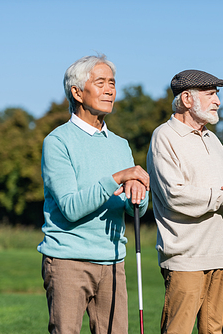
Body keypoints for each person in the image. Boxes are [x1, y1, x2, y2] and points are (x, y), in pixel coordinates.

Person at [37, 54, 149, 334]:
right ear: (77, 92)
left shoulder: (121, 145)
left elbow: (138, 208)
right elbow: (71, 207)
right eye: (101, 83)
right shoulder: (57, 142)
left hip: (113, 260)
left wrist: (139, 193)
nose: (110, 89)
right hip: (67, 262)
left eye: (112, 83)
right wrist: (119, 178)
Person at [147, 69, 223, 334]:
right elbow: (175, 195)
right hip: (186, 258)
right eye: (210, 94)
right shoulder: (164, 137)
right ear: (186, 99)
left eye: (216, 94)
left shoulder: (214, 140)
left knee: (218, 331)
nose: (217, 101)